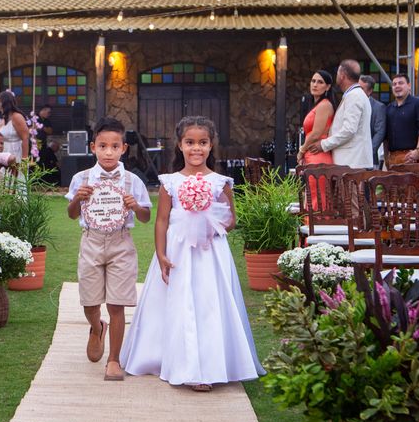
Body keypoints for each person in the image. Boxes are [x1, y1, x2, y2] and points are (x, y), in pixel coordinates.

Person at [120, 116, 265, 391]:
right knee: (178, 303)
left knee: (209, 304)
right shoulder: (169, 182)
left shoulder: (221, 182)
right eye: (190, 142)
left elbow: (231, 220)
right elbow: (162, 220)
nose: (196, 148)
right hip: (177, 251)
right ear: (179, 145)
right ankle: (172, 359)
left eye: (202, 142)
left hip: (210, 254)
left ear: (211, 146)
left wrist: (212, 216)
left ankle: (208, 366)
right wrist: (161, 255)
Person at [65, 117, 152, 381]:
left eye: (115, 146)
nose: (109, 152)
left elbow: (147, 216)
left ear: (124, 148)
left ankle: (113, 360)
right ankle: (96, 326)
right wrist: (78, 200)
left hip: (121, 243)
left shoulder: (131, 180)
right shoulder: (82, 178)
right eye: (103, 146)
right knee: (90, 302)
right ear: (93, 147)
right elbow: (70, 215)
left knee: (117, 304)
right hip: (91, 241)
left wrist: (135, 206)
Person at [307, 59, 373, 168]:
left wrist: (324, 144)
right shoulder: (356, 94)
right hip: (352, 161)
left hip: (351, 162)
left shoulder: (354, 96)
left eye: (337, 73)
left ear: (342, 75)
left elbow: (349, 130)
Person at [296, 70, 336, 210]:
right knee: (311, 193)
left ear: (328, 87)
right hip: (312, 153)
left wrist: (302, 150)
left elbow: (316, 133)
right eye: (313, 81)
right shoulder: (316, 104)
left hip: (318, 154)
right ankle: (311, 226)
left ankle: (318, 225)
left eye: (320, 82)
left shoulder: (325, 104)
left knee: (316, 195)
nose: (315, 85)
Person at [384, 73, 419, 166]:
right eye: (394, 84)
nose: (397, 86)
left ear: (409, 86)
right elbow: (386, 136)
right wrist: (386, 158)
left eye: (401, 83)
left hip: (412, 158)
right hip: (392, 159)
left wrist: (418, 151)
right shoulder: (389, 108)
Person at [359, 75, 387, 167]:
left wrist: (367, 153)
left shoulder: (378, 107)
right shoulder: (349, 104)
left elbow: (379, 133)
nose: (357, 91)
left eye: (361, 89)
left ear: (370, 91)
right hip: (350, 156)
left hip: (369, 159)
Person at [0, 91, 30, 161]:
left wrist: (24, 160)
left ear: (4, 102)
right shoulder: (4, 118)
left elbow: (25, 138)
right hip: (3, 154)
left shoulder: (16, 116)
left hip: (15, 153)